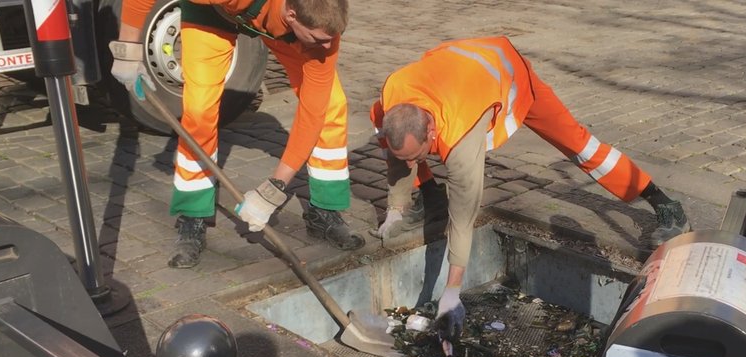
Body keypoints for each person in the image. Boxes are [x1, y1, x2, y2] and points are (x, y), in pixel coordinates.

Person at [370, 36, 690, 338]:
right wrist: (396, 208)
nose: (412, 163)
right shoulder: (394, 95)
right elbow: (399, 154)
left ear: (431, 128)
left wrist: (452, 292)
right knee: (395, 141)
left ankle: (660, 200)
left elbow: (463, 216)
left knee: (579, 144)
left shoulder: (461, 134)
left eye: (418, 156)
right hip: (462, 67)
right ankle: (429, 196)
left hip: (510, 76)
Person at [110, 0, 363, 269]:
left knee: (331, 106)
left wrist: (273, 189)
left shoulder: (325, 32)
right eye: (318, 39)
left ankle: (324, 210)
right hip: (214, 12)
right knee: (199, 111)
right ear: (292, 15)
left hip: (273, 21)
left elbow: (313, 113)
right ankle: (193, 215)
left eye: (331, 39)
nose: (327, 47)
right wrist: (129, 49)